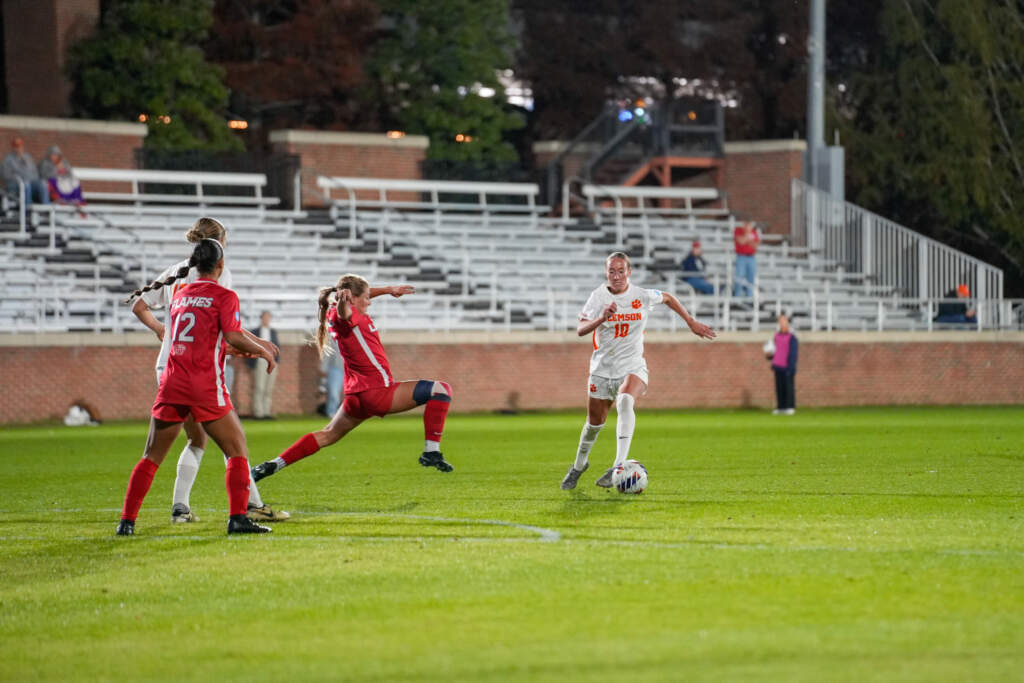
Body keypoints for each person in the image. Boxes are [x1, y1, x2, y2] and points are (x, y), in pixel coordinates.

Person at [128, 217, 290, 523]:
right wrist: (257, 346)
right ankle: (250, 506)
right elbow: (224, 327)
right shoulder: (219, 273)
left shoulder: (177, 271)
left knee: (198, 440)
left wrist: (162, 330)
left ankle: (179, 508)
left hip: (169, 366)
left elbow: (139, 305)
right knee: (231, 441)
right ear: (221, 245)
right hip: (200, 368)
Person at [249, 275, 455, 483]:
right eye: (366, 297)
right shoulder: (347, 315)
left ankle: (272, 465)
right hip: (378, 392)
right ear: (351, 299)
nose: (370, 301)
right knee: (440, 389)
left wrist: (387, 289)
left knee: (328, 434)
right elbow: (345, 312)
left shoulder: (333, 311)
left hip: (357, 395)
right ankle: (432, 452)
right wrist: (346, 302)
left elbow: (351, 302)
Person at [561, 252, 716, 490]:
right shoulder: (598, 297)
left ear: (629, 272)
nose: (616, 276)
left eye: (621, 271)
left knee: (625, 401)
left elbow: (667, 297)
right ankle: (579, 466)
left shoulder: (641, 296)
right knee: (594, 425)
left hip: (632, 365)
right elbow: (580, 329)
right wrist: (602, 318)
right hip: (602, 369)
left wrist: (690, 321)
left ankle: (618, 465)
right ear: (606, 273)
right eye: (612, 271)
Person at [247, 311, 280, 419]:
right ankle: (258, 412)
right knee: (259, 387)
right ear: (261, 318)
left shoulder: (273, 332)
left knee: (268, 388)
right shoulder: (255, 332)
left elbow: (277, 348)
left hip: (272, 362)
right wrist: (251, 365)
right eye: (265, 317)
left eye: (268, 318)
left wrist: (276, 362)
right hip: (260, 362)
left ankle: (266, 412)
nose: (266, 320)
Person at [766, 313, 798, 415]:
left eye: (783, 320)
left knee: (789, 387)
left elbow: (793, 353)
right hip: (777, 366)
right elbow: (774, 351)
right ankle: (781, 407)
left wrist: (791, 367)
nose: (781, 323)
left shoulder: (792, 337)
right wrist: (769, 355)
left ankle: (790, 406)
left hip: (787, 367)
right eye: (780, 321)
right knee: (779, 388)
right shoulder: (776, 336)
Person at [2, 137, 49, 206]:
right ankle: (27, 209)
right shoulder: (8, 160)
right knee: (26, 184)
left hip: (30, 183)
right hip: (16, 185)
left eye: (20, 146)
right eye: (16, 146)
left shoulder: (28, 157)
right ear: (13, 147)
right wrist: (19, 178)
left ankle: (46, 208)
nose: (19, 148)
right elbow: (5, 176)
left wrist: (34, 180)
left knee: (42, 183)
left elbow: (35, 173)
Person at [733, 220, 760, 297]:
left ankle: (749, 297)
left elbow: (755, 245)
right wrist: (747, 234)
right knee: (739, 277)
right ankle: (737, 297)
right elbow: (741, 241)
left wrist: (747, 240)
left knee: (751, 278)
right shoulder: (738, 230)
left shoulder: (754, 232)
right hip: (741, 257)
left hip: (751, 257)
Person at [321, 351, 344, 417]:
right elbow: (326, 356)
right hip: (335, 369)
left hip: (349, 367)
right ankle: (331, 412)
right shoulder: (332, 341)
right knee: (334, 393)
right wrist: (323, 369)